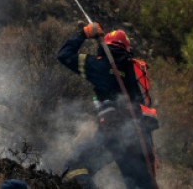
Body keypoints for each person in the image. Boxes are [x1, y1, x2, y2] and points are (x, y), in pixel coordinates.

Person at [57, 22, 157, 189]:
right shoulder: (136, 71)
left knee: (75, 168)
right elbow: (144, 106)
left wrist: (84, 34)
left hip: (112, 133)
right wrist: (151, 152)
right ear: (127, 49)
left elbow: (64, 55)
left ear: (105, 47)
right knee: (140, 185)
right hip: (139, 140)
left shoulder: (99, 65)